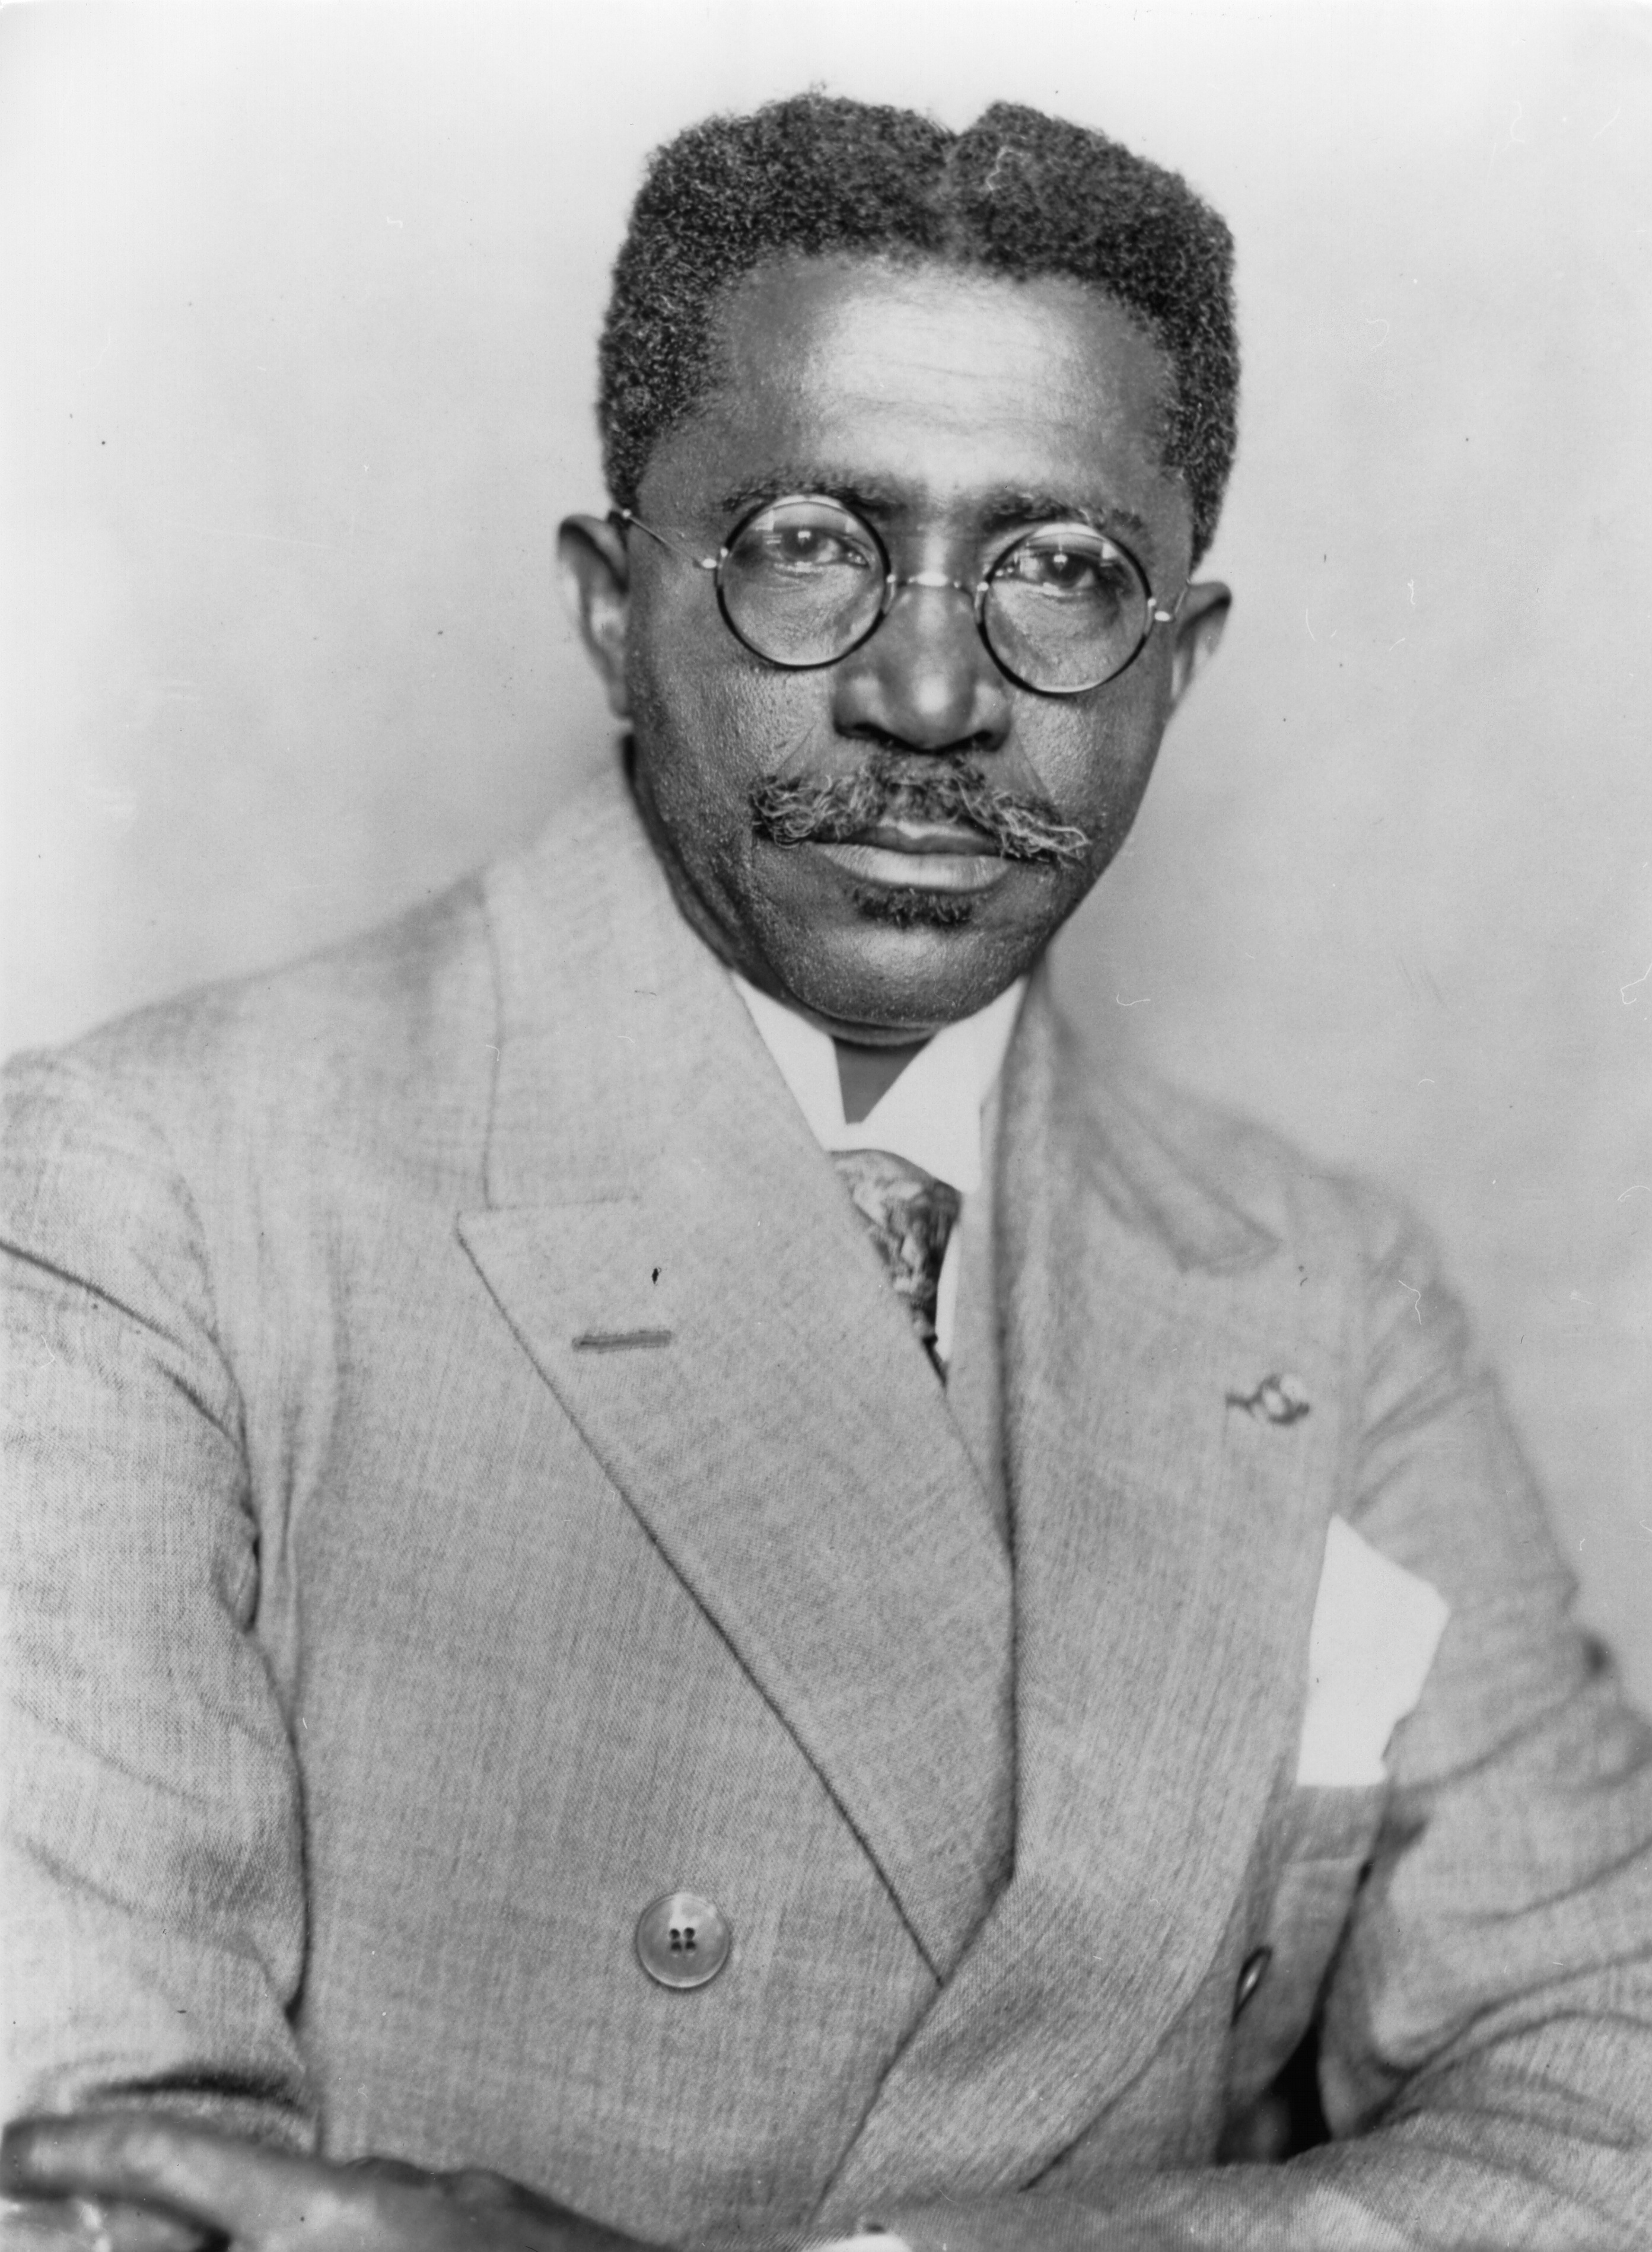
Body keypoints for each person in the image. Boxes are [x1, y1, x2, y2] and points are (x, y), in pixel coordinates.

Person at [3, 93, 1649, 2252]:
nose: (935, 690)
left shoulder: (1322, 1296)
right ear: (611, 608)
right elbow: (98, 2191)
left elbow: (1607, 2098)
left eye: (1062, 573)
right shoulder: (146, 1202)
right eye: (807, 545)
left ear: (1184, 658)